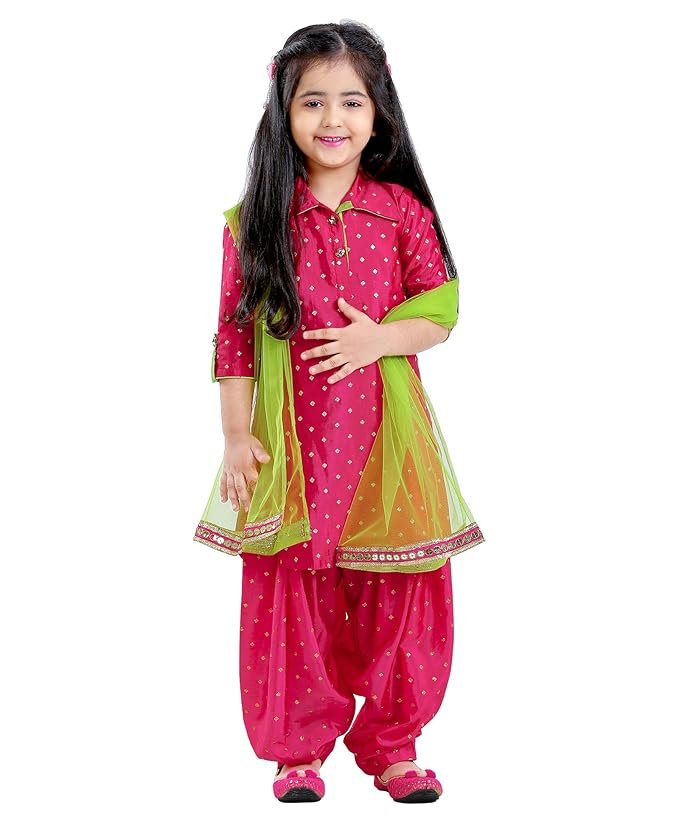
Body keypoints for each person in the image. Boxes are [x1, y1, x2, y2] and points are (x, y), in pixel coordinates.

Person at [196, 20, 485, 804]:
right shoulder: (255, 220)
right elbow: (233, 336)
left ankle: (393, 745)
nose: (332, 119)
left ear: (378, 111)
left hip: (387, 438)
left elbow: (441, 310)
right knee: (293, 580)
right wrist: (235, 436)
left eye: (351, 101)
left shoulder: (399, 211)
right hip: (291, 440)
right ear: (283, 112)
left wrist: (379, 339)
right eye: (312, 101)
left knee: (399, 585)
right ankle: (298, 749)